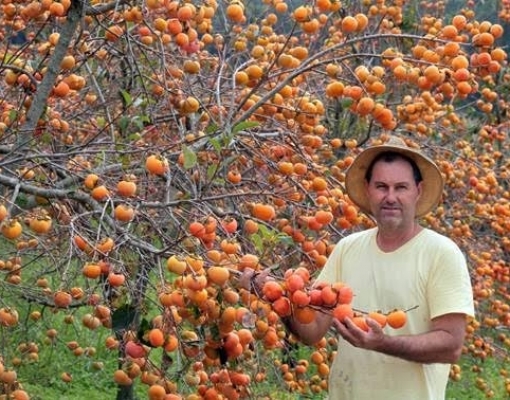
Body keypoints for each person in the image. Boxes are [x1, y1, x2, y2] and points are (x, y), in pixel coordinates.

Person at [242, 136, 474, 399]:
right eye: (381, 186)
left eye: (401, 187)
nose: (390, 197)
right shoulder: (347, 248)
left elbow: (451, 346)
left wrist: (382, 343)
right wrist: (276, 296)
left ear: (418, 191)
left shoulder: (441, 253)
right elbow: (312, 330)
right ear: (368, 189)